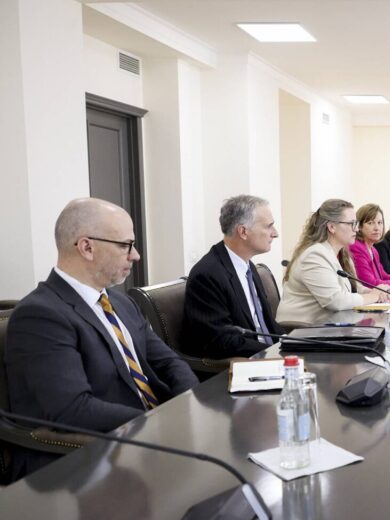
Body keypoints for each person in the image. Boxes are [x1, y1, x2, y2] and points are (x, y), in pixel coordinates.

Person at [5, 198, 198, 480]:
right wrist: (158, 424)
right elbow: (73, 410)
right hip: (83, 463)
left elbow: (169, 361)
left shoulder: (121, 302)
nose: (135, 256)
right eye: (125, 245)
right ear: (87, 247)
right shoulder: (40, 315)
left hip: (143, 441)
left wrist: (188, 404)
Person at [183, 195, 284, 358]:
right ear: (243, 231)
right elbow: (221, 340)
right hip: (244, 363)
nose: (275, 233)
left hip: (267, 355)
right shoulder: (207, 274)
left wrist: (292, 344)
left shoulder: (248, 266)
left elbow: (267, 324)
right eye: (269, 226)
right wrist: (274, 352)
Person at [277, 199, 390, 325]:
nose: (357, 229)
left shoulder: (341, 254)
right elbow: (335, 300)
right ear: (332, 227)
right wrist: (373, 296)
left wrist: (371, 291)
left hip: (327, 325)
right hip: (303, 329)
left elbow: (352, 287)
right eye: (352, 224)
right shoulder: (315, 255)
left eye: (356, 224)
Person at [348, 203, 390, 293]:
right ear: (359, 226)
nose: (377, 228)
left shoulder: (373, 250)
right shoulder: (356, 247)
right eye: (370, 223)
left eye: (380, 223)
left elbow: (384, 276)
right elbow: (370, 284)